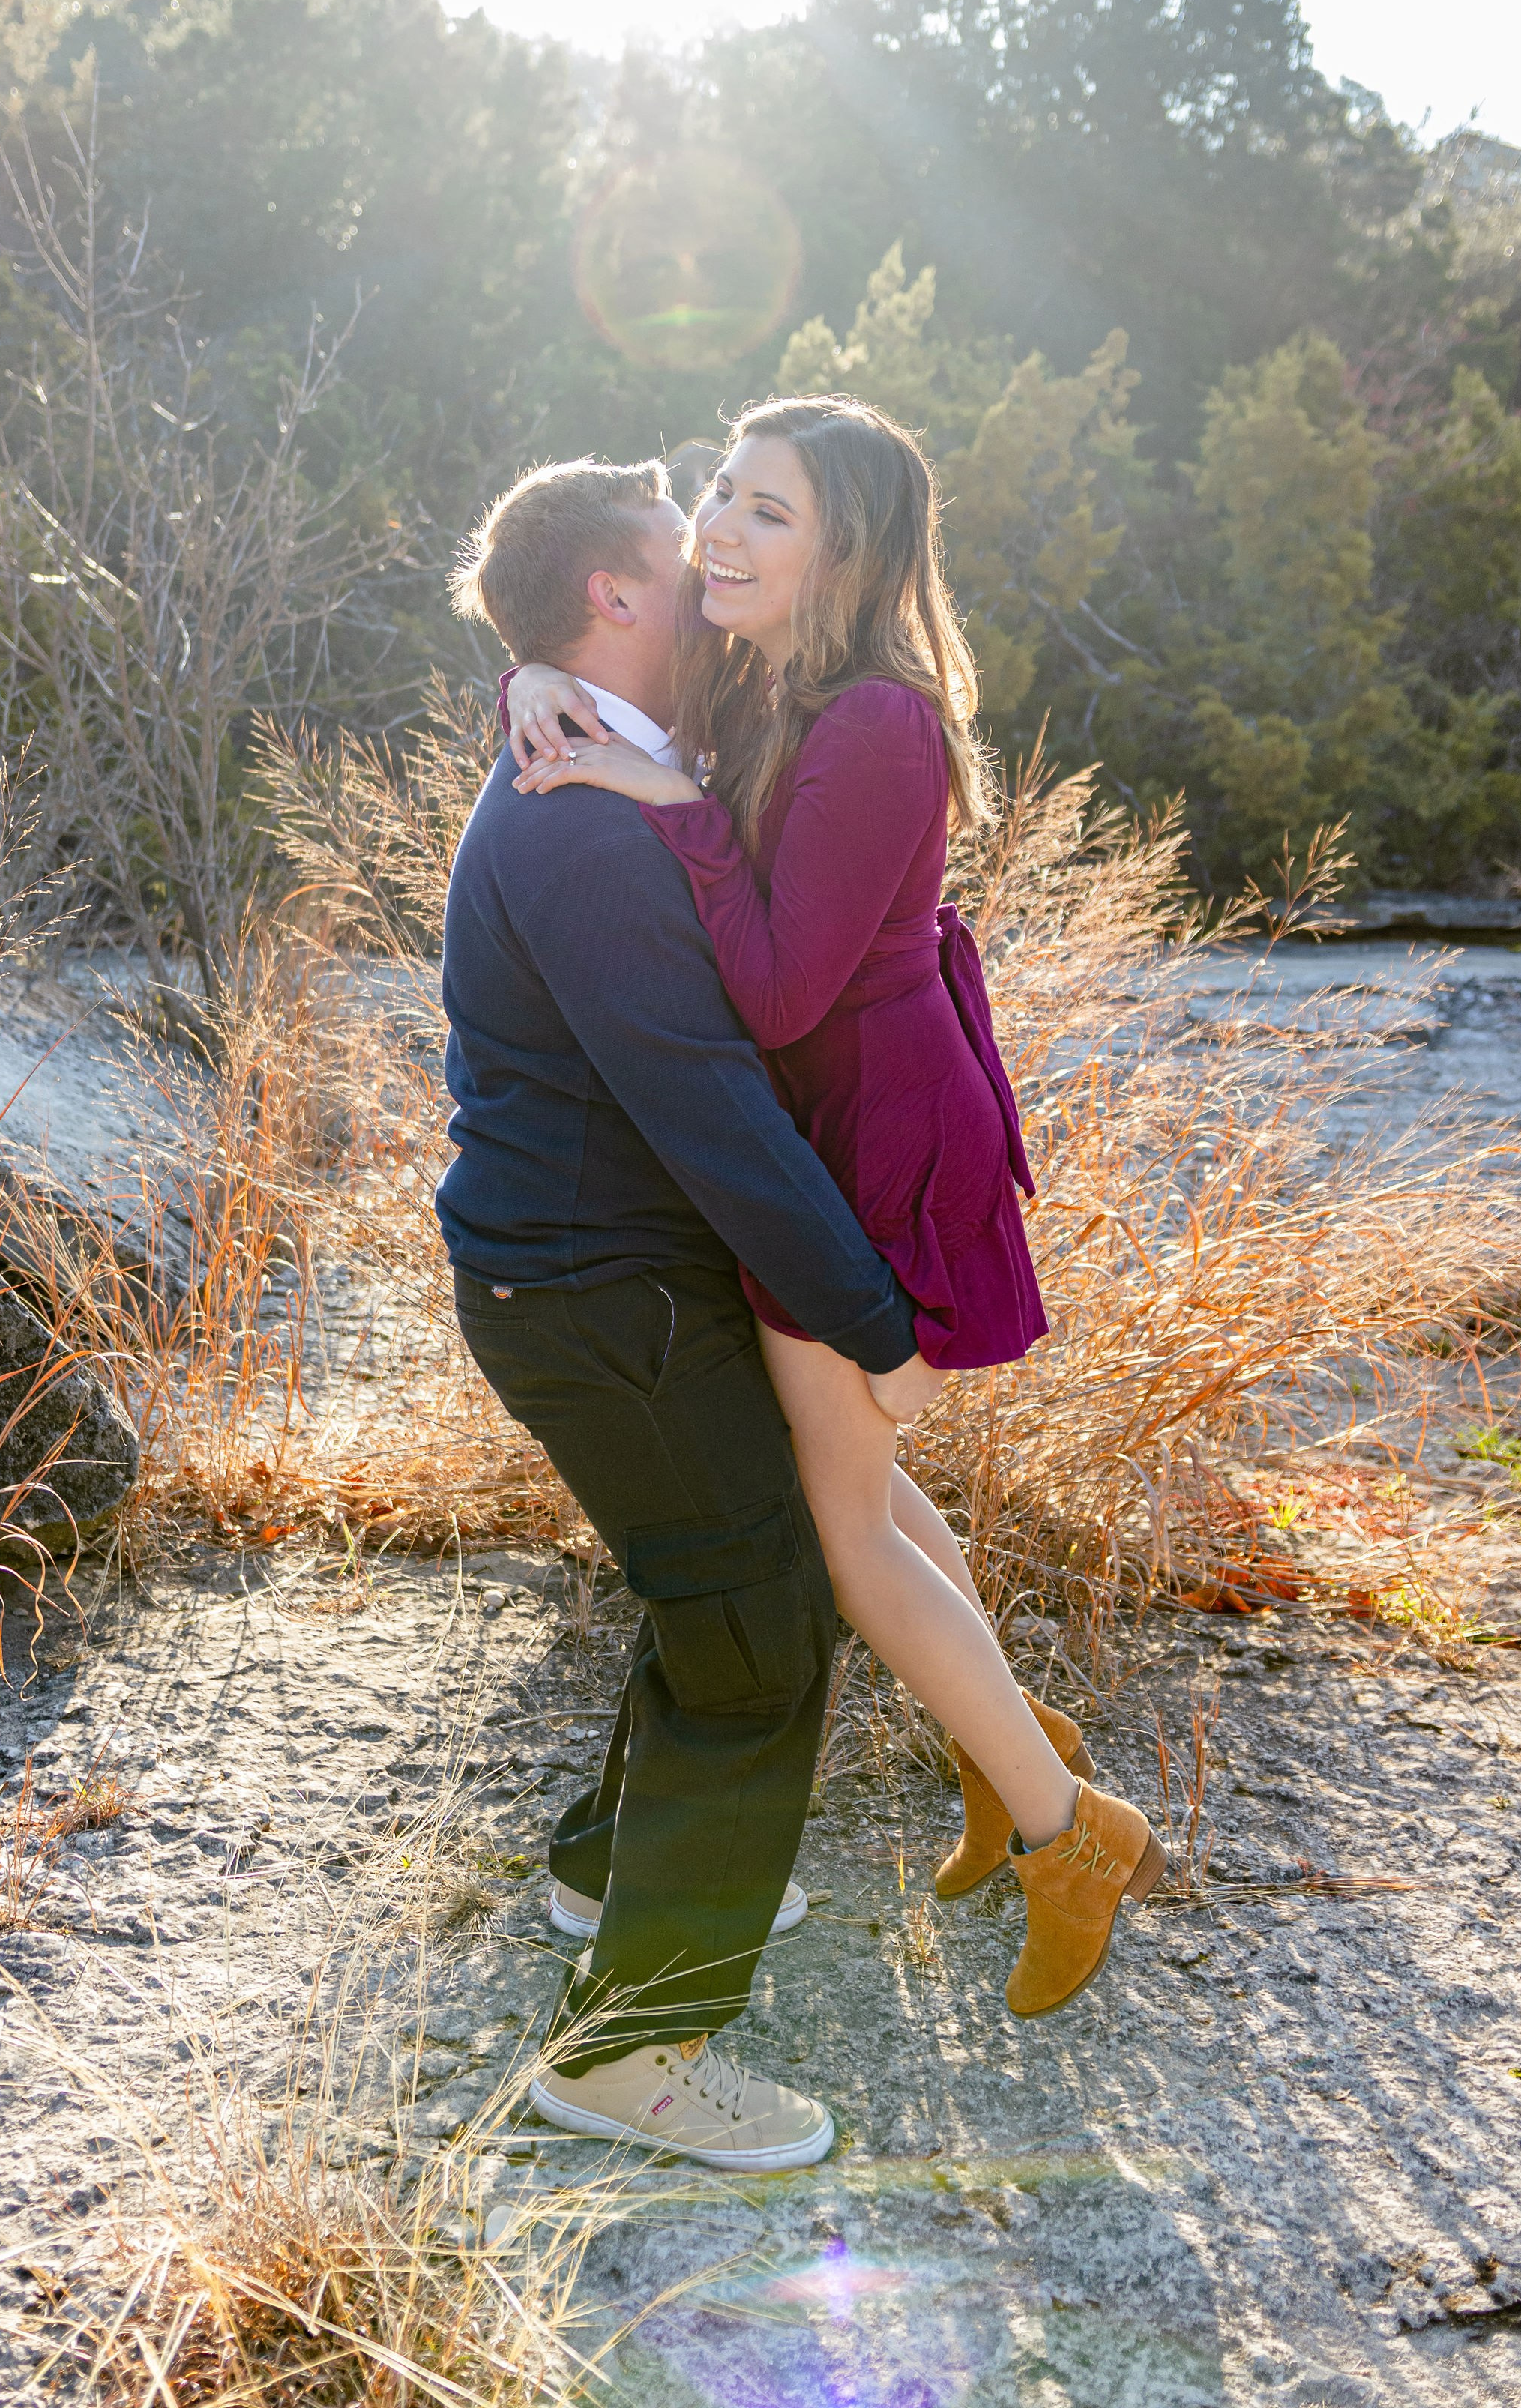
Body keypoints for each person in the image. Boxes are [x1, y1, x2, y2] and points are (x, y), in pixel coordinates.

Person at [505, 397, 1164, 2023]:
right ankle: (1005, 1742)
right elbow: (598, 665)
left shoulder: (876, 722)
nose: (718, 528)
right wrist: (531, 677)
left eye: (769, 513)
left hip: (871, 1130)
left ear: (850, 552)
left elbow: (788, 992)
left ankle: (1070, 1833)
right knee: (854, 1486)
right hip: (832, 1118)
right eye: (719, 492)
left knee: (844, 1530)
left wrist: (671, 821)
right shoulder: (761, 678)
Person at [436, 455, 936, 2173]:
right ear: (615, 600)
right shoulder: (576, 817)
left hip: (597, 1280)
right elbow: (709, 1103)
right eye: (680, 540)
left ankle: (605, 1871)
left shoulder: (605, 747)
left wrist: (523, 668)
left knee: (708, 1563)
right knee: (759, 1615)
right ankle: (635, 2054)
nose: (713, 553)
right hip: (595, 1295)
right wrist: (871, 1316)